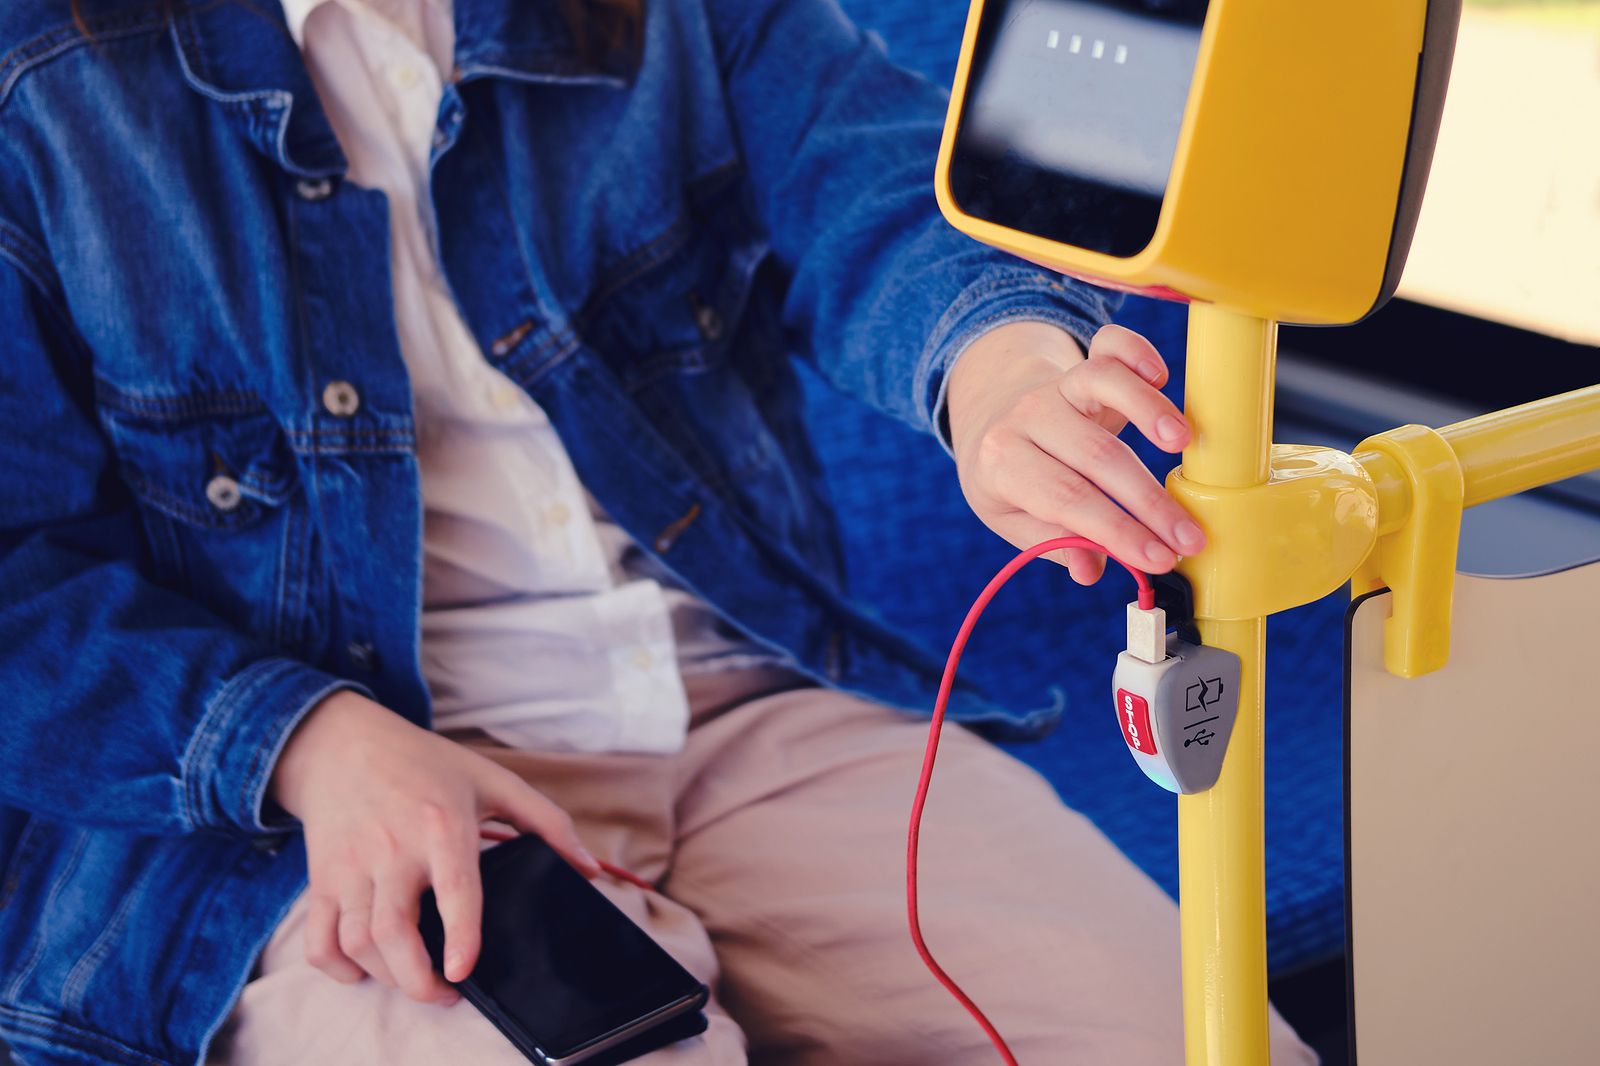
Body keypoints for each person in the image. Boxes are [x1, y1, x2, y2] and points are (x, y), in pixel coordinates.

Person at [0, 0, 1316, 1063]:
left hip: (737, 708)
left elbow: (869, 175)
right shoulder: (37, 83)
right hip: (308, 805)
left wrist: (999, 363)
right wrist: (305, 740)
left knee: (1201, 1042)